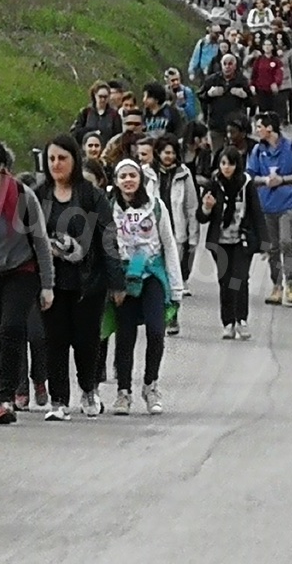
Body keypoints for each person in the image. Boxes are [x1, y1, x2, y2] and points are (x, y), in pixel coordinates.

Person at [35, 135, 124, 421]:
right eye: (51, 159)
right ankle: (58, 400)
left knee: (87, 340)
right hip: (52, 282)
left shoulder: (91, 196)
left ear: (74, 160)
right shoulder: (40, 196)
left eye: (62, 158)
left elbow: (108, 239)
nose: (56, 164)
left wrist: (116, 281)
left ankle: (88, 389)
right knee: (54, 339)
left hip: (89, 282)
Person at [0, 141, 55, 425]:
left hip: (22, 270)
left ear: (0, 168)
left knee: (12, 327)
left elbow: (40, 241)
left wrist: (47, 284)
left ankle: (7, 396)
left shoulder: (21, 196)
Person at [108, 160, 184, 415]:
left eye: (132, 175)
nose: (128, 180)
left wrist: (176, 287)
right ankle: (123, 391)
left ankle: (151, 385)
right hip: (123, 278)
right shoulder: (110, 209)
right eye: (123, 176)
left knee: (155, 330)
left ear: (140, 178)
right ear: (116, 181)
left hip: (152, 275)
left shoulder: (156, 207)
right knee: (125, 335)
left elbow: (169, 245)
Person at [198, 146, 269, 341]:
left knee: (239, 279)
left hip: (241, 241)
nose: (226, 168)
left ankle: (241, 320)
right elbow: (202, 217)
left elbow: (256, 213)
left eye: (230, 163)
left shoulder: (246, 184)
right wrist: (206, 207)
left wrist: (264, 243)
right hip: (219, 243)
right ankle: (227, 322)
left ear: (237, 165)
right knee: (225, 281)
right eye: (223, 163)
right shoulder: (214, 184)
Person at [246, 111, 292, 306]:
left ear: (270, 128)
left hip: (288, 202)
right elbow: (250, 175)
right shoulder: (258, 151)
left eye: (259, 127)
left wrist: (283, 180)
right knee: (272, 247)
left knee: (286, 242)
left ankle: (290, 282)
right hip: (266, 204)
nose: (257, 131)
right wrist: (265, 180)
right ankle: (276, 284)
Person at [156, 134, 199, 335]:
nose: (169, 156)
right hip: (153, 234)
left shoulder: (184, 174)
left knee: (173, 277)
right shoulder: (148, 174)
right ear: (158, 153)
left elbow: (191, 207)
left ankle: (172, 317)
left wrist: (193, 236)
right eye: (166, 152)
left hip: (176, 233)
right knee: (158, 277)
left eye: (172, 153)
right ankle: (157, 316)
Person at [200, 54, 253, 153]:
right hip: (217, 124)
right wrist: (209, 94)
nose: (227, 66)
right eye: (225, 64)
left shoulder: (242, 81)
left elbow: (252, 103)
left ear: (235, 66)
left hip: (236, 127)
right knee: (217, 154)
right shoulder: (212, 80)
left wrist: (244, 95)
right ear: (221, 65)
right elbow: (201, 97)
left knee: (235, 155)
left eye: (230, 64)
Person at [249, 39, 283, 115]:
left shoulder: (276, 61)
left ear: (272, 47)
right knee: (262, 111)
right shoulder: (258, 60)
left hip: (272, 90)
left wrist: (276, 83)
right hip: (260, 89)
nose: (267, 47)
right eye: (265, 45)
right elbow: (254, 74)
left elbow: (279, 73)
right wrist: (252, 85)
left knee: (272, 112)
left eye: (269, 45)